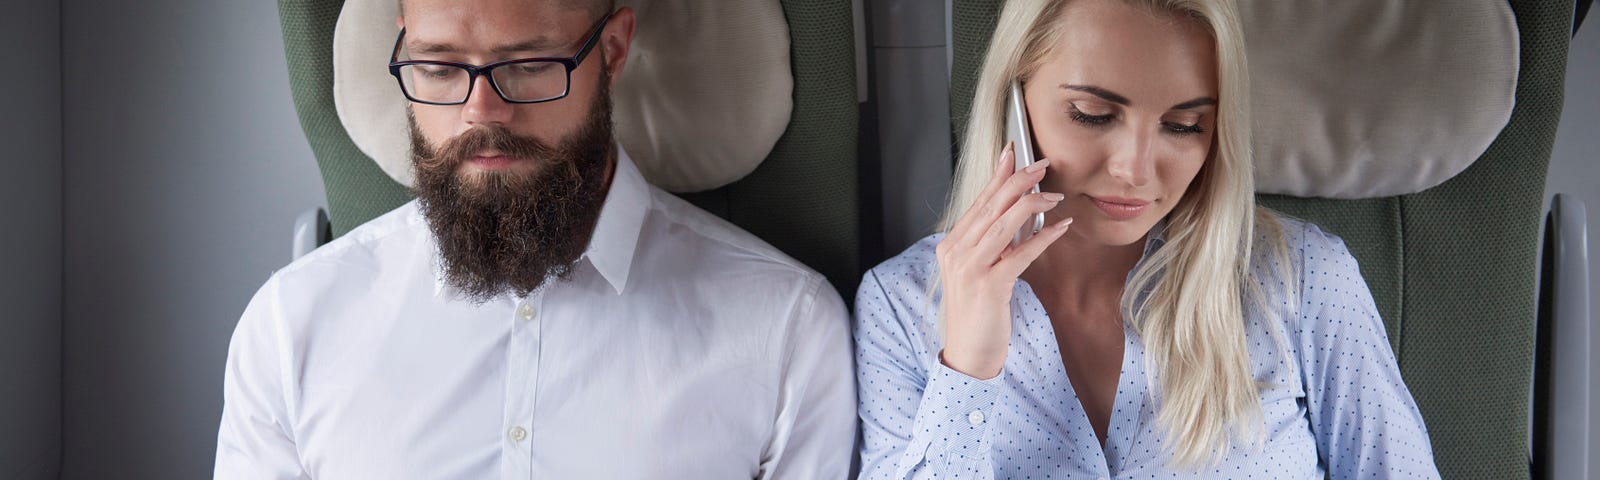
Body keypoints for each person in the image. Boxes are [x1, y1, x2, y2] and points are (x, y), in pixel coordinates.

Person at [214, 0, 854, 477]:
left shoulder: (786, 329)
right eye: (438, 68)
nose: (481, 112)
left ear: (612, 51)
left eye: (527, 65)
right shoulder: (290, 325)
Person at [853, 0, 1439, 477]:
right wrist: (968, 369)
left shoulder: (1304, 278)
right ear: (1013, 102)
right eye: (1091, 114)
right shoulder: (900, 307)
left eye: (1184, 126)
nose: (1135, 169)